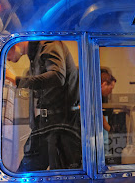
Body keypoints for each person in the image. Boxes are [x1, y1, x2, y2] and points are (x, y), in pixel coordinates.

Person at [5, 40, 81, 171]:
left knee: (60, 175)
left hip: (62, 124)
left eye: (6, 53)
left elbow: (57, 76)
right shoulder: (36, 56)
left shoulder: (50, 45)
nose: (8, 59)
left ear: (15, 43)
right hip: (47, 122)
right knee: (28, 170)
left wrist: (17, 80)